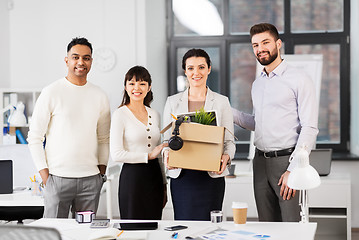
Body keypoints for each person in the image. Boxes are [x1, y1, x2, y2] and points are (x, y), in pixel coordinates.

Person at [232, 23, 319, 222]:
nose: (260, 48)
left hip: (287, 161)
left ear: (278, 43)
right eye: (255, 45)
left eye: (265, 42)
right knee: (267, 224)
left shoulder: (299, 79)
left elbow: (310, 127)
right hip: (260, 162)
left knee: (291, 224)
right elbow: (259, 123)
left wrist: (294, 169)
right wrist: (230, 113)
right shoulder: (258, 83)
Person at [27, 37, 111, 218]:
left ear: (91, 61)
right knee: (55, 233)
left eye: (86, 58)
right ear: (67, 60)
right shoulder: (51, 92)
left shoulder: (100, 95)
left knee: (86, 234)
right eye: (75, 57)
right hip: (57, 179)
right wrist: (46, 178)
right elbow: (34, 138)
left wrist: (101, 174)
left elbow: (104, 138)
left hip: (91, 179)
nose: (81, 62)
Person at [163, 48, 236, 221]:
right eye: (191, 68)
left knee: (211, 228)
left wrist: (227, 157)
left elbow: (229, 141)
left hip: (211, 176)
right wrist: (167, 155)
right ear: (185, 71)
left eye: (201, 67)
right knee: (184, 224)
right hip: (182, 177)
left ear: (209, 69)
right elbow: (166, 141)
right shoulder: (173, 102)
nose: (196, 73)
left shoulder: (221, 101)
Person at [110, 66, 168, 220]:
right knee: (132, 227)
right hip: (132, 179)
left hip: (154, 177)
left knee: (154, 225)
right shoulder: (119, 114)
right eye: (132, 83)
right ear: (125, 87)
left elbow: (159, 154)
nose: (137, 88)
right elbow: (116, 154)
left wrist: (164, 185)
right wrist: (148, 156)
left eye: (142, 83)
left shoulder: (155, 114)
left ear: (149, 87)